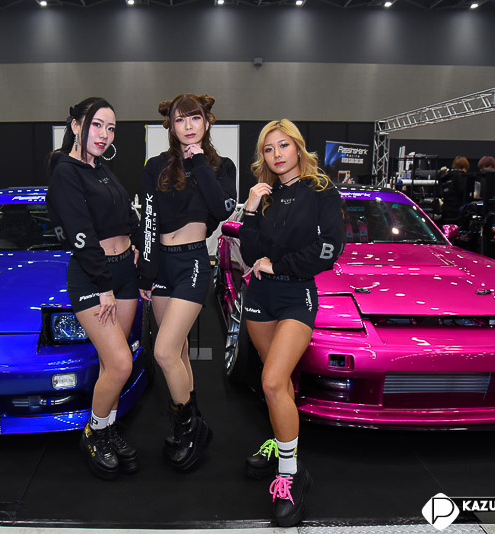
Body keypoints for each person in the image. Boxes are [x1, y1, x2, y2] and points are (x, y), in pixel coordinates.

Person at [239, 119, 345, 527]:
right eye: (268, 149)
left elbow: (330, 248)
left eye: (283, 145)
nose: (276, 154)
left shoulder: (321, 190)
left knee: (271, 381)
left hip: (297, 294)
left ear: (298, 148)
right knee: (277, 383)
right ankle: (282, 442)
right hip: (260, 296)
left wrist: (279, 265)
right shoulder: (265, 194)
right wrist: (250, 209)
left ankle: (290, 475)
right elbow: (251, 252)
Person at [138, 93, 237, 471]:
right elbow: (148, 221)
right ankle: (194, 424)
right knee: (176, 351)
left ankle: (187, 428)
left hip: (193, 262)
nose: (188, 126)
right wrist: (146, 273)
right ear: (171, 125)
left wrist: (199, 163)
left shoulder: (220, 166)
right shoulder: (155, 166)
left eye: (195, 118)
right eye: (180, 120)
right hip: (161, 264)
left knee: (163, 352)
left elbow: (223, 208)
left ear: (207, 122)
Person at [46, 97, 141, 480]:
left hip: (124, 273)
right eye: (97, 125)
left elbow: (126, 214)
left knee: (109, 364)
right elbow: (81, 234)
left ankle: (108, 428)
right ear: (75, 125)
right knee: (121, 363)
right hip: (93, 277)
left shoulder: (101, 169)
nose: (104, 134)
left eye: (111, 128)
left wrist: (134, 243)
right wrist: (103, 285)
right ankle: (94, 432)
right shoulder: (65, 172)